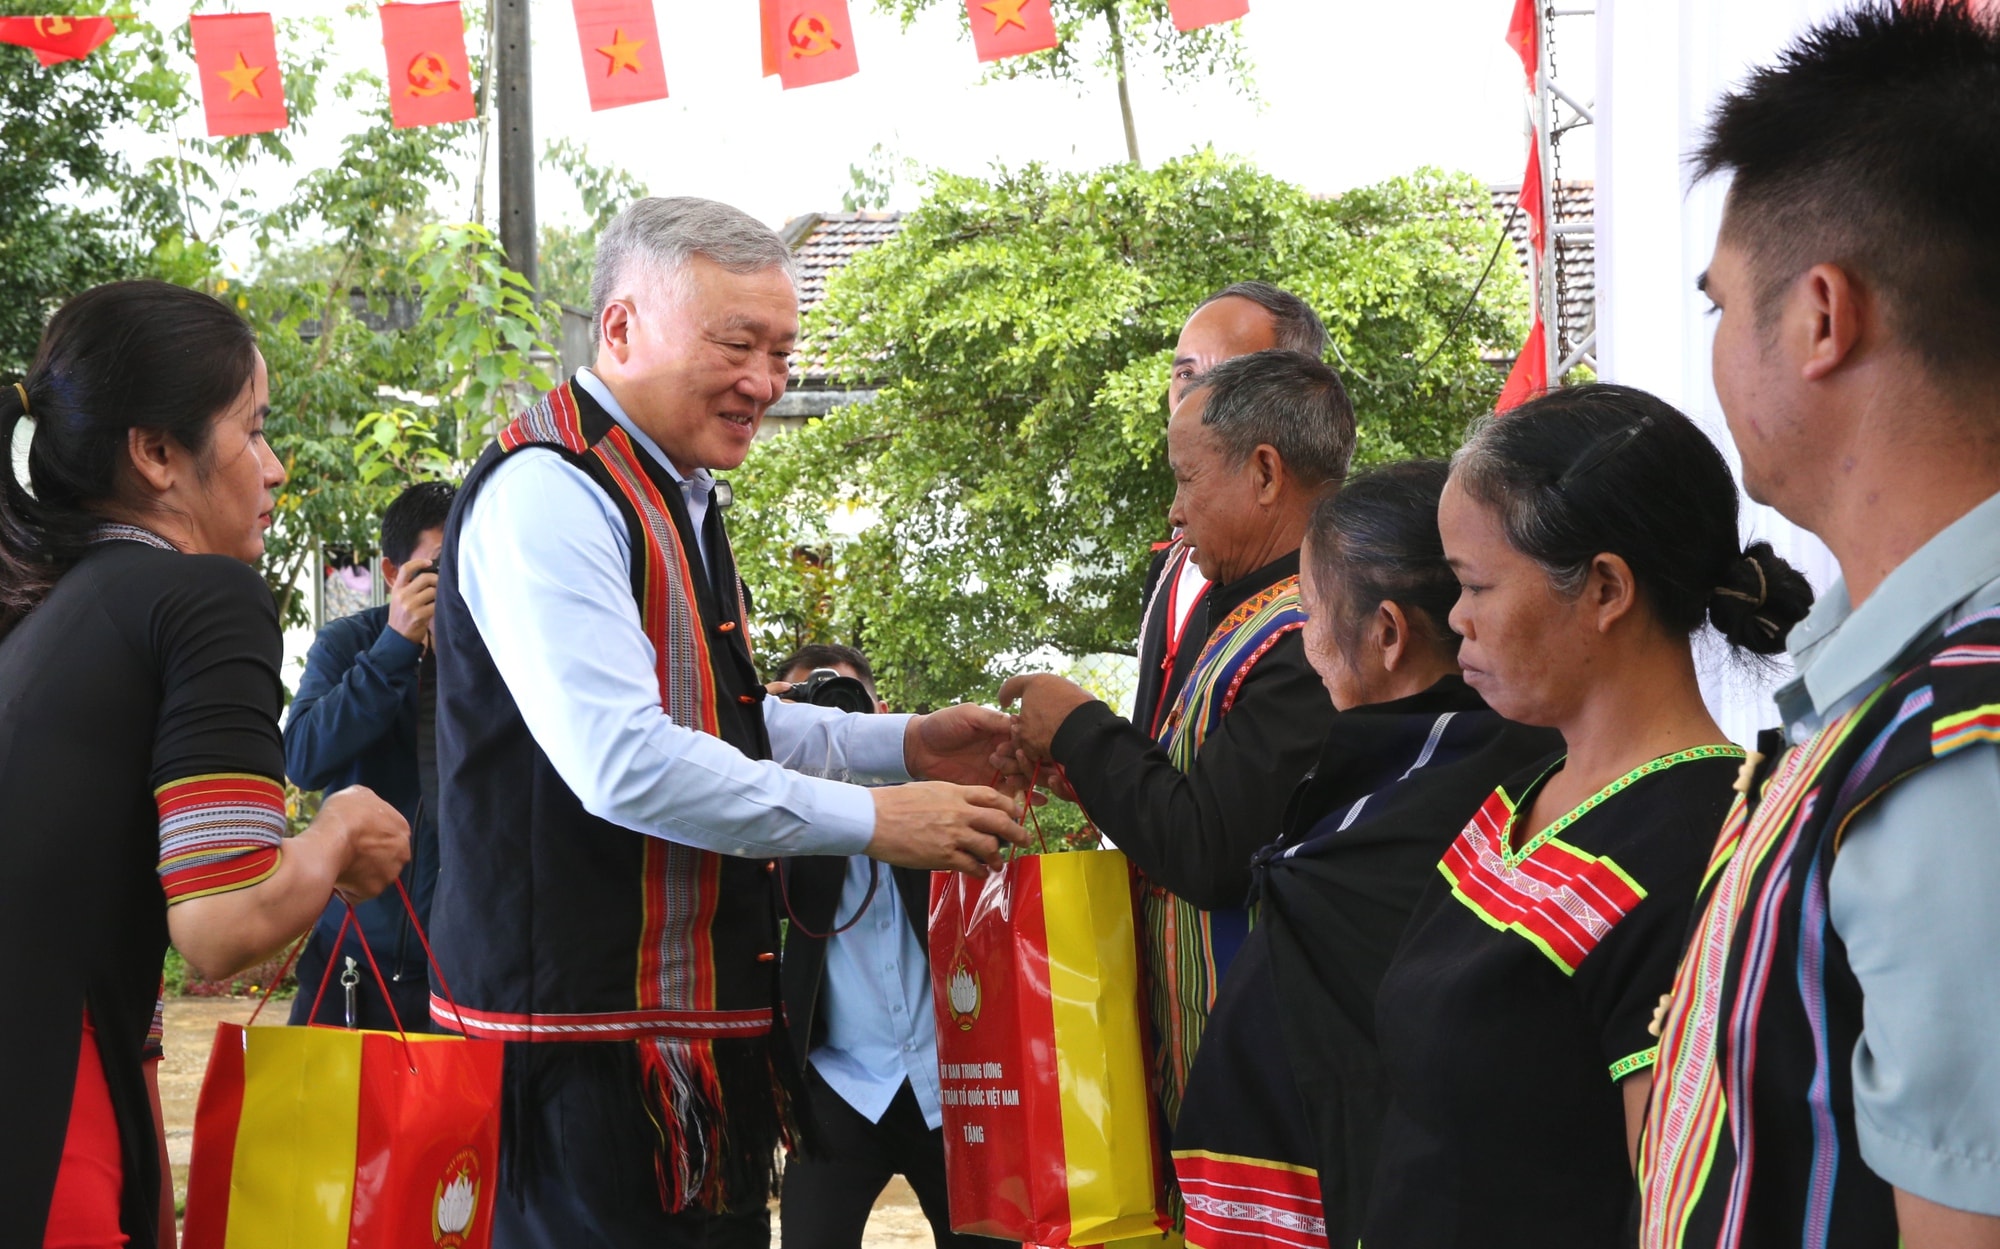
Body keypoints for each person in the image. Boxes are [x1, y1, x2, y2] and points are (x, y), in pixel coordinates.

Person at [428, 197, 1031, 1249]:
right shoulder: (551, 491)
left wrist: (903, 743)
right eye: (736, 344)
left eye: (782, 350)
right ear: (618, 329)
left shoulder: (676, 491)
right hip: (578, 1055)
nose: (763, 380)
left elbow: (723, 723)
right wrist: (872, 819)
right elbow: (623, 762)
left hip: (678, 1052)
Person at [1640, 6, 2000, 1247]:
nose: (1715, 355)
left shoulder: (1957, 755)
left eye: (1717, 309)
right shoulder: (1886, 689)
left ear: (1818, 318)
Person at [0, 280, 410, 1249]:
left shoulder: (43, 619)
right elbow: (224, 921)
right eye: (253, 430)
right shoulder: (203, 598)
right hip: (46, 1120)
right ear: (155, 453)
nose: (272, 468)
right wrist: (342, 824)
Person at [1361, 385, 1813, 1248]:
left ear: (1605, 587)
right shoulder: (1520, 798)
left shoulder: (1697, 851)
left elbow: (1677, 1206)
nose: (1456, 618)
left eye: (1476, 584)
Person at [1169, 462, 1560, 1249]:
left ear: (1384, 633)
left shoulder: (1360, 849)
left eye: (1309, 612)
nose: (1307, 641)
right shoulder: (1546, 764)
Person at [1004, 348, 1351, 1131]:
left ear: (1265, 474)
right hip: (1213, 1057)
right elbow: (1198, 789)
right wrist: (1095, 772)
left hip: (1273, 1084)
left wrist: (1081, 729)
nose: (1174, 509)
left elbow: (1212, 847)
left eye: (1187, 478)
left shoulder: (1314, 633)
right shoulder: (1236, 604)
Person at [770, 644, 981, 1249]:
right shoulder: (768, 817)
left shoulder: (944, 799)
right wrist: (761, 731)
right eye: (811, 709)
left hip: (957, 1085)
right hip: (839, 1085)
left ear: (881, 715)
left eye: (846, 708)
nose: (829, 726)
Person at [286, 480, 456, 1031]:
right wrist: (395, 649)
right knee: (328, 1117)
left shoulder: (500, 656)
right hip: (351, 953)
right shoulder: (349, 644)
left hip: (458, 964)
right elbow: (304, 759)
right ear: (392, 574)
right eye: (439, 565)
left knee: (452, 1119)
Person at [1133, 283, 1329, 740]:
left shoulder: (1323, 589)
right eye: (1185, 375)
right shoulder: (1171, 562)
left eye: (1227, 380)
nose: (1194, 397)